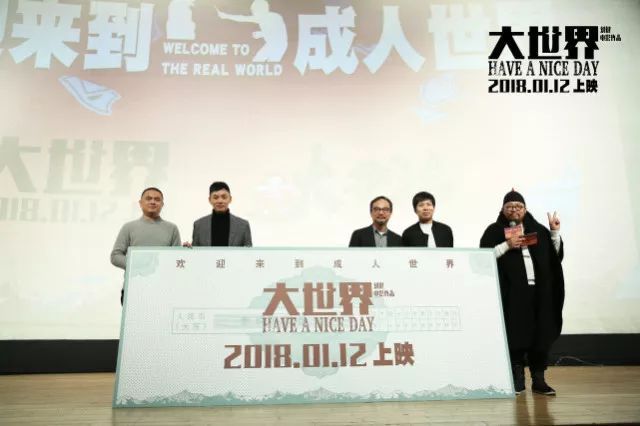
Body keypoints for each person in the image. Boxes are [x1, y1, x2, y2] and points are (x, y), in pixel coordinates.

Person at [480, 190, 564, 396]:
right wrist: (507, 245)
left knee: (540, 335)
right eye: (509, 207)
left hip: (539, 293)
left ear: (525, 209)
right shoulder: (494, 231)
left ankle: (539, 380)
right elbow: (483, 258)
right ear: (502, 209)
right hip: (513, 294)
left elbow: (554, 258)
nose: (514, 210)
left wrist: (554, 233)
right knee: (516, 335)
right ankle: (517, 379)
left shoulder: (539, 230)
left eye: (518, 206)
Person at [111, 187, 181, 304]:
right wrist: (138, 264)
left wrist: (187, 252)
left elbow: (176, 260)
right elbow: (115, 256)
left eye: (157, 199)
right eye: (148, 198)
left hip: (163, 289)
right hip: (133, 288)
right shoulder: (129, 227)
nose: (153, 202)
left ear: (162, 204)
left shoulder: (172, 228)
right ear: (140, 203)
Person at [192, 181, 252, 247]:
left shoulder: (243, 225)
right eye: (215, 197)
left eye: (224, 197)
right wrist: (187, 249)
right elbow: (195, 251)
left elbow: (249, 252)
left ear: (230, 199)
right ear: (209, 200)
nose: (220, 201)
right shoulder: (199, 225)